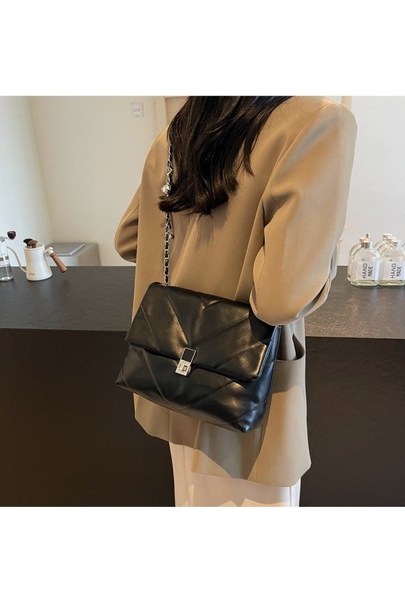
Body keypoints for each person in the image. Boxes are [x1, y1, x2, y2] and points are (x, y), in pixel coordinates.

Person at [114, 96, 357, 507]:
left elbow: (129, 238)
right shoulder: (320, 121)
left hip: (174, 384)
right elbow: (281, 299)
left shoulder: (180, 130)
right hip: (247, 400)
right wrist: (323, 249)